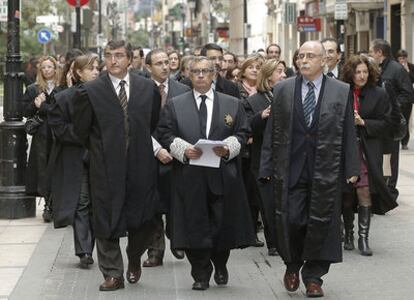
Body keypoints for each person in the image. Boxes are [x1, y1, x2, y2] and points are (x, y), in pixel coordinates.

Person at [260, 41, 359, 298]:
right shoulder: (283, 89)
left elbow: (348, 129)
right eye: (301, 56)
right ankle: (292, 264)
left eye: (310, 56)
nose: (304, 60)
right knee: (292, 220)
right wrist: (267, 165)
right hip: (291, 168)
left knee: (323, 223)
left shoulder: (340, 90)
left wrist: (352, 167)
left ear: (323, 60)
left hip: (327, 167)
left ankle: (314, 276)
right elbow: (273, 132)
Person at [157, 56, 255, 291]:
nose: (200, 76)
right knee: (193, 225)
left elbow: (243, 132)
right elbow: (165, 134)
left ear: (214, 74)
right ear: (189, 75)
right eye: (196, 72)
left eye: (205, 71)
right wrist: (182, 149)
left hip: (222, 175)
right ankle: (200, 272)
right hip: (189, 176)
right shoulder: (175, 104)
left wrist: (229, 147)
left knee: (222, 223)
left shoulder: (232, 103)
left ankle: (220, 264)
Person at [71, 40, 162, 291]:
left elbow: (152, 121)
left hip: (140, 164)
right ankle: (113, 273)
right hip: (105, 166)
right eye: (109, 55)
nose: (113, 60)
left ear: (130, 59)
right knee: (104, 218)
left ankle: (134, 257)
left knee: (142, 218)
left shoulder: (147, 88)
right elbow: (81, 130)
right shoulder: (90, 91)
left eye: (119, 56)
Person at [340, 55, 397, 257]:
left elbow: (388, 123)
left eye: (365, 71)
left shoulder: (379, 94)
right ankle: (348, 234)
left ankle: (363, 239)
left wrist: (364, 123)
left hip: (366, 152)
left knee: (364, 191)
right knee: (346, 195)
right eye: (357, 72)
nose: (362, 76)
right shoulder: (341, 92)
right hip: (344, 151)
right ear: (350, 73)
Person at [48, 54, 100, 268]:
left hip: (100, 158)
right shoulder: (63, 98)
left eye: (97, 68)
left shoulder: (105, 96)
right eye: (91, 68)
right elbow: (59, 128)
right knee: (82, 202)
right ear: (78, 72)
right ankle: (84, 250)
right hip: (75, 158)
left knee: (97, 204)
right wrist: (81, 134)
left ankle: (90, 246)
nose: (96, 71)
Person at [142, 49, 191, 267]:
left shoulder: (183, 89)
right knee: (152, 205)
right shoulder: (140, 90)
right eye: (159, 63)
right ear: (148, 67)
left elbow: (188, 123)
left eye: (167, 62)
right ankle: (155, 251)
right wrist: (156, 149)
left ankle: (177, 239)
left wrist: (176, 148)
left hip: (177, 154)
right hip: (148, 154)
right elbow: (137, 123)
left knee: (176, 200)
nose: (165, 67)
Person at [243, 59, 286, 256]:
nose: (283, 75)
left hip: (286, 158)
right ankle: (273, 243)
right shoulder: (253, 101)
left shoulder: (288, 95)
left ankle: (287, 240)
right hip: (262, 160)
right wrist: (262, 116)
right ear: (268, 76)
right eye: (279, 72)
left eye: (284, 71)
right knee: (268, 203)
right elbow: (246, 128)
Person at [369, 39, 414, 198]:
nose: (370, 55)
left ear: (379, 53)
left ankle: (390, 192)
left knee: (391, 158)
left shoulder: (396, 69)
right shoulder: (375, 69)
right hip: (377, 123)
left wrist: (391, 108)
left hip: (391, 124)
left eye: (371, 52)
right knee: (379, 157)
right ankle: (381, 189)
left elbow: (408, 94)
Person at [22, 56, 63, 223]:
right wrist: (35, 104)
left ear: (55, 68)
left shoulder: (62, 88)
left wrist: (43, 107)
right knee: (43, 168)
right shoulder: (33, 89)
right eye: (44, 67)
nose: (47, 70)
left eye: (49, 67)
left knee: (58, 167)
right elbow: (24, 111)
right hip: (42, 136)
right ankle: (48, 204)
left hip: (59, 133)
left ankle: (56, 203)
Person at [395, 49, 414, 149]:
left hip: (408, 99)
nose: (402, 60)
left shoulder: (411, 67)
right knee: (398, 119)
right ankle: (397, 138)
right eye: (400, 58)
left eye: (404, 58)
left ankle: (404, 142)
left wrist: (407, 71)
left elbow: (412, 80)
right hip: (397, 97)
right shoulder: (395, 68)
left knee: (406, 120)